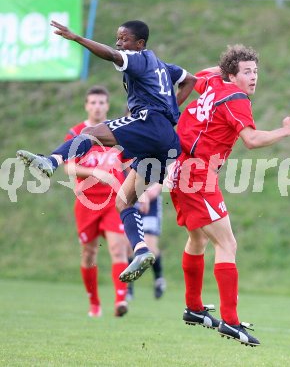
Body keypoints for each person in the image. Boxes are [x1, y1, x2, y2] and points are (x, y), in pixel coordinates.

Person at [16, 20, 196, 284]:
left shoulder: (136, 59)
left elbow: (111, 55)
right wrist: (171, 111)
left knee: (90, 134)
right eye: (117, 38)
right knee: (124, 201)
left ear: (139, 44)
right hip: (168, 140)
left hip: (149, 122)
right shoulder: (160, 65)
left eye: (124, 39)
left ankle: (51, 161)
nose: (119, 43)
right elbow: (190, 80)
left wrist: (76, 38)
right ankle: (141, 251)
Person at [168, 44, 290, 347]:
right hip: (198, 174)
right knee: (227, 243)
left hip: (179, 168)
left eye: (255, 71)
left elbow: (195, 77)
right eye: (246, 72)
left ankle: (193, 307)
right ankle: (230, 321)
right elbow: (252, 140)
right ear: (232, 74)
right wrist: (287, 130)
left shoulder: (212, 82)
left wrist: (221, 69)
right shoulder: (236, 97)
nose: (254, 77)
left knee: (198, 239)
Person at [64, 85, 129, 317]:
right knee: (89, 253)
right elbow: (69, 167)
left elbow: (129, 161)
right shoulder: (76, 133)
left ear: (107, 105)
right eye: (93, 102)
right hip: (86, 203)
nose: (97, 107)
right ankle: (94, 303)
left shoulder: (116, 131)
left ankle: (121, 301)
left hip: (113, 201)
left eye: (101, 102)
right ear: (86, 105)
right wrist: (94, 173)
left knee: (117, 248)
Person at [127, 183, 166, 300]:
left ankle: (158, 278)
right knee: (129, 246)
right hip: (131, 199)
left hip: (151, 204)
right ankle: (128, 287)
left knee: (150, 248)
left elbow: (164, 174)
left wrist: (152, 191)